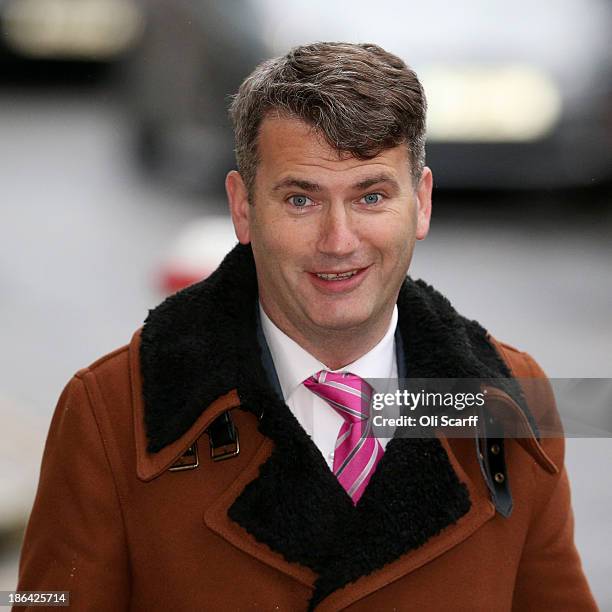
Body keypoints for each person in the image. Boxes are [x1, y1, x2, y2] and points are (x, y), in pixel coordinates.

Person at [16, 42, 596, 611]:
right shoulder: (110, 415)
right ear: (243, 208)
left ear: (420, 203)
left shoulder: (512, 406)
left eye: (370, 196)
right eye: (301, 200)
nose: (339, 242)